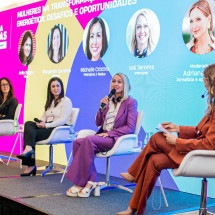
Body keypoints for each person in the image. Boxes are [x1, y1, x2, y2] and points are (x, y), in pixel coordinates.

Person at [117, 63, 215, 215]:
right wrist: (177, 128)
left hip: (204, 158)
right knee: (154, 160)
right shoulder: (212, 107)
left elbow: (208, 145)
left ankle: (133, 173)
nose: (202, 80)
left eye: (204, 77)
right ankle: (134, 209)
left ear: (211, 81)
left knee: (157, 137)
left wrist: (177, 141)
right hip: (194, 153)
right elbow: (198, 131)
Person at [66, 73, 138, 198]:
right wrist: (102, 108)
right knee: (78, 142)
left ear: (125, 85)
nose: (116, 84)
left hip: (115, 139)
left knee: (88, 140)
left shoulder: (130, 102)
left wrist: (110, 133)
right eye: (114, 81)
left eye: (119, 81)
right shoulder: (108, 100)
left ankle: (80, 183)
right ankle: (92, 180)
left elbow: (130, 127)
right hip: (102, 136)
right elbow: (98, 122)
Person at [17, 77, 73, 176]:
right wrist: (41, 122)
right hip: (48, 127)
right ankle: (29, 149)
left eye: (57, 86)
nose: (56, 88)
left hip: (58, 130)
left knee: (30, 134)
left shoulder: (66, 101)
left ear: (61, 87)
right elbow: (44, 117)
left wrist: (46, 125)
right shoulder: (50, 102)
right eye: (53, 86)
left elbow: (62, 120)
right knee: (28, 124)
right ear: (50, 89)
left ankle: (30, 165)